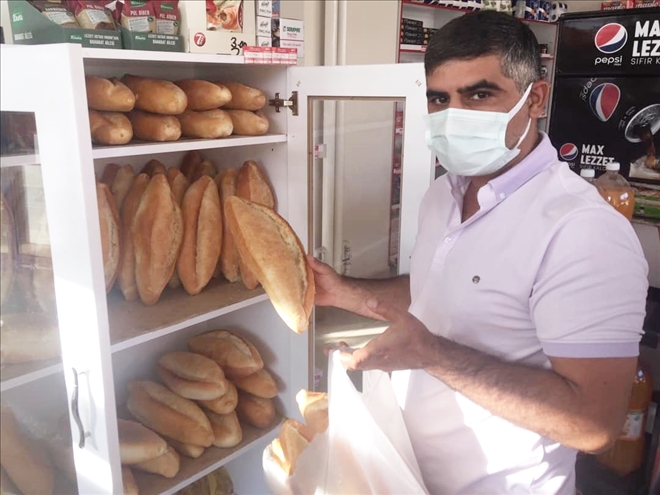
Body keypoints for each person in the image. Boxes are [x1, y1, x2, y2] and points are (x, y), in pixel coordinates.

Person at [307, 10, 649, 495]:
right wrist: (343, 292)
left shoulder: (583, 231)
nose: (455, 115)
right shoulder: (442, 195)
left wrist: (431, 355)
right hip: (406, 474)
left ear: (535, 99)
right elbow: (441, 293)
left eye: (479, 95)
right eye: (440, 98)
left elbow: (593, 425)